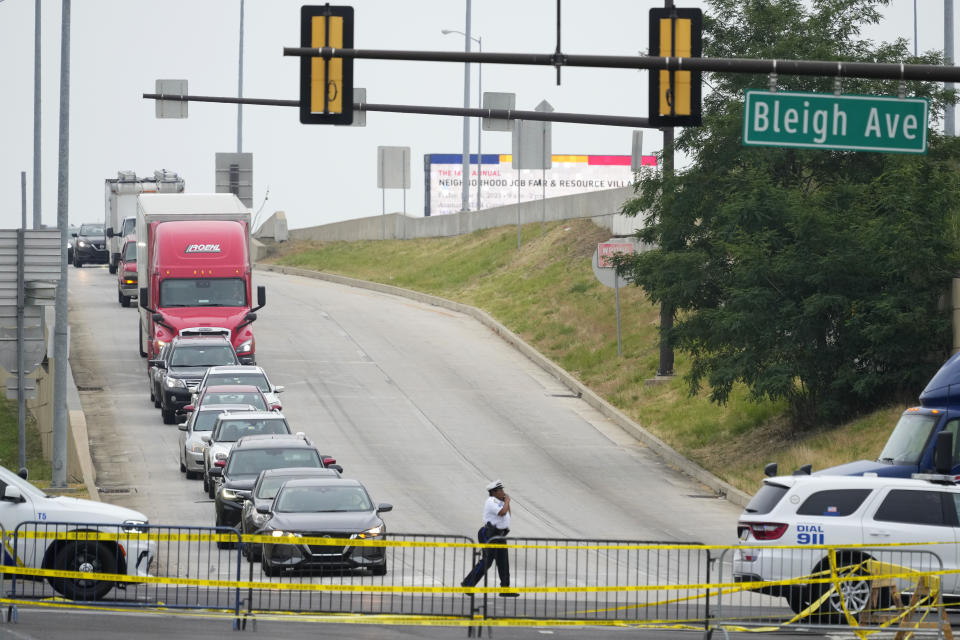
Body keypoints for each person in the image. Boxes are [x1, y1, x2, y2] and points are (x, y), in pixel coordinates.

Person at [461, 479, 518, 596]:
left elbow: (507, 515)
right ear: (494, 492)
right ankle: (467, 584)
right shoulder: (491, 501)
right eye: (501, 490)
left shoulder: (501, 502)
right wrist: (507, 501)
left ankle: (505, 589)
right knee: (487, 561)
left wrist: (507, 502)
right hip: (488, 534)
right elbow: (502, 513)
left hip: (500, 535)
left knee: (503, 562)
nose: (503, 492)